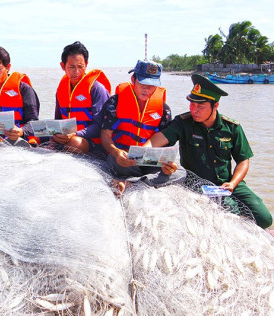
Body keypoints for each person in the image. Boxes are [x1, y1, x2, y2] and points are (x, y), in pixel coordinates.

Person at [146, 74, 272, 229]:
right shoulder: (183, 123)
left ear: (215, 106)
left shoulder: (231, 128)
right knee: (229, 212)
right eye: (192, 105)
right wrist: (141, 153)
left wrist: (232, 183)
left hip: (229, 182)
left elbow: (243, 160)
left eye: (200, 106)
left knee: (264, 218)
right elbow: (155, 142)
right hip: (198, 183)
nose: (194, 110)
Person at [100, 60, 182, 193]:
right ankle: (144, 181)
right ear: (133, 80)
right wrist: (116, 153)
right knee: (113, 161)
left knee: (180, 173)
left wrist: (168, 165)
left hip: (148, 163)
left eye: (151, 85)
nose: (146, 89)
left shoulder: (164, 110)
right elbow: (105, 136)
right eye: (142, 83)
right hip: (123, 161)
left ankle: (130, 183)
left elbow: (165, 149)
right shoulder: (114, 103)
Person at [54, 41, 111, 154]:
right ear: (63, 66)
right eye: (71, 67)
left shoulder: (97, 89)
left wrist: (76, 134)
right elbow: (58, 120)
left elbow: (99, 126)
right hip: (69, 137)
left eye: (80, 66)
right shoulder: (61, 90)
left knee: (74, 143)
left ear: (86, 64)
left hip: (92, 143)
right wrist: (56, 135)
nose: (77, 72)